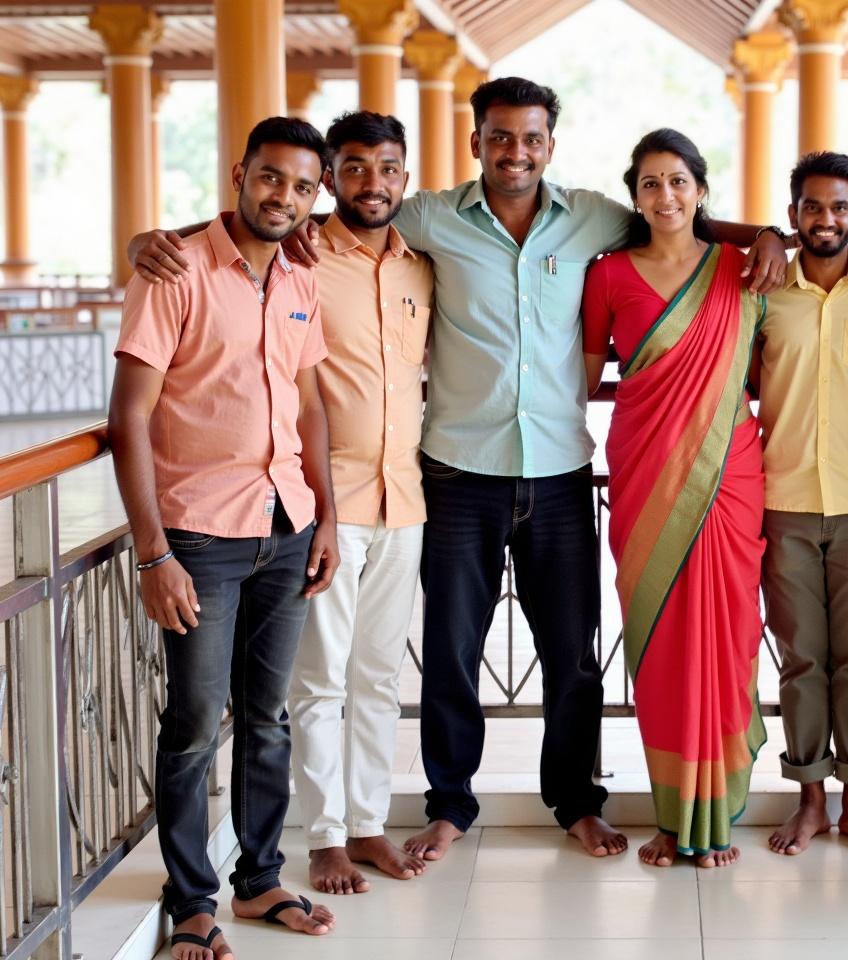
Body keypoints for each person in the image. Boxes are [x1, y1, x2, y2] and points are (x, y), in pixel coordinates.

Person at [129, 77, 789, 862]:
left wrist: (767, 233)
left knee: (572, 655)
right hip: (454, 474)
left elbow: (677, 213)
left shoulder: (590, 218)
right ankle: (450, 805)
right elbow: (302, 209)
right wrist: (152, 241)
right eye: (500, 137)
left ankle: (575, 800)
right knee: (449, 650)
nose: (517, 151)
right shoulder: (425, 215)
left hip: (558, 471)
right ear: (475, 142)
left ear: (551, 144)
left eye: (532, 138)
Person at [108, 116, 339, 960]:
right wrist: (153, 552)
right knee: (198, 719)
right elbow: (127, 417)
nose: (284, 196)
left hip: (288, 523)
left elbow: (310, 404)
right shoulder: (173, 269)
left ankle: (260, 879)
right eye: (272, 178)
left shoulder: (301, 278)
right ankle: (191, 899)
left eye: (302, 186)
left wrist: (328, 516)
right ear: (241, 173)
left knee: (269, 716)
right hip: (199, 535)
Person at [582, 129, 766, 868]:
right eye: (651, 184)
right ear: (634, 195)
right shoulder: (608, 275)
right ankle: (670, 816)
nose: (666, 196)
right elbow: (584, 378)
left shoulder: (742, 266)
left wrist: (775, 234)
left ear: (701, 188)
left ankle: (715, 813)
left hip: (730, 473)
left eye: (679, 181)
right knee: (660, 644)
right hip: (644, 472)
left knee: (725, 635)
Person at [284, 111, 432, 895]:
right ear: (332, 177)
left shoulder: (420, 268)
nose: (371, 183)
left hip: (403, 499)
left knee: (378, 676)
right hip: (325, 504)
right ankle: (324, 837)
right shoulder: (299, 257)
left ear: (404, 178)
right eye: (354, 167)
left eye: (386, 168)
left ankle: (370, 822)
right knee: (319, 679)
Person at [755, 152, 848, 858]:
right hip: (781, 495)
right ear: (792, 217)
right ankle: (809, 797)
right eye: (812, 207)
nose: (825, 219)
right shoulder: (765, 291)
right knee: (800, 658)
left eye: (839, 207)